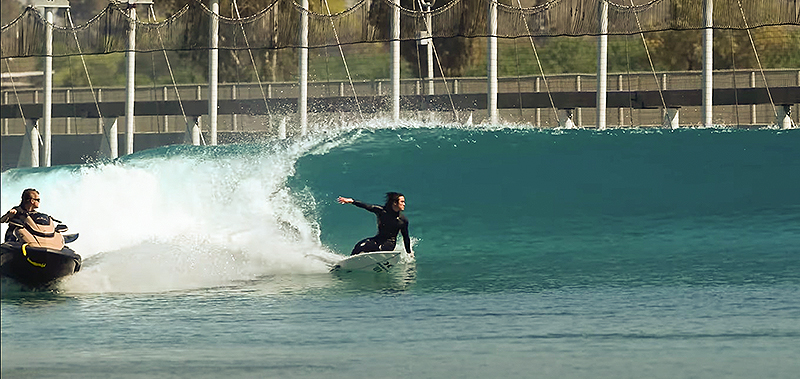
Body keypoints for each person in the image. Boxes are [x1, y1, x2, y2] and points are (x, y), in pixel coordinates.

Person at [338, 192, 413, 257]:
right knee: (360, 245)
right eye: (402, 202)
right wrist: (352, 201)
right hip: (378, 239)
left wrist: (409, 252)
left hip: (389, 244)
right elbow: (367, 206)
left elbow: (406, 237)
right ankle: (350, 262)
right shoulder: (382, 211)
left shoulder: (403, 220)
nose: (404, 204)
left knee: (379, 248)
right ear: (395, 203)